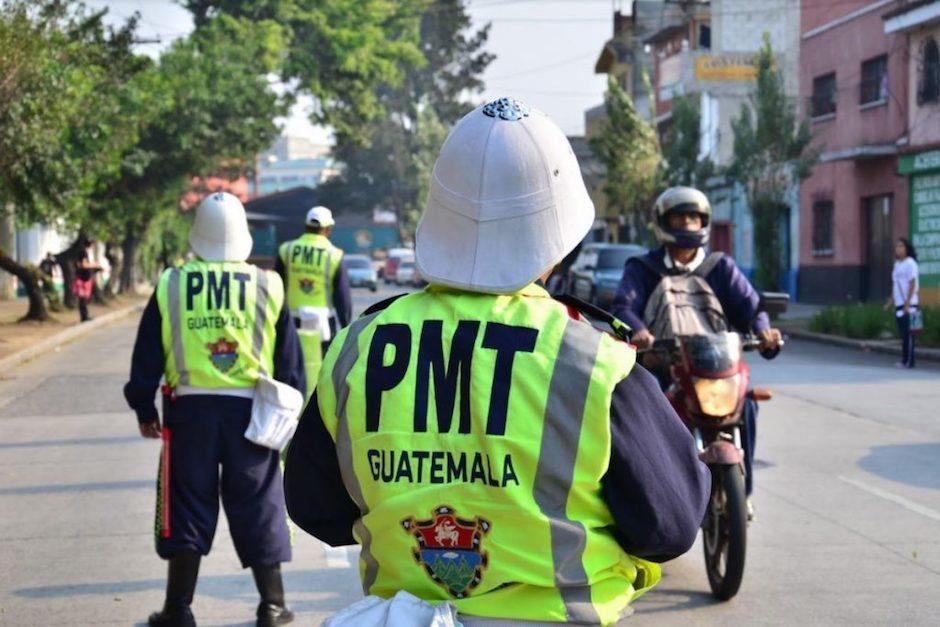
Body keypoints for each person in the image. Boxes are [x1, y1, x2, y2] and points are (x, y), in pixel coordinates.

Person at [284, 98, 709, 625]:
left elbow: (314, 508)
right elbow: (670, 528)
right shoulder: (594, 360)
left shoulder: (357, 349)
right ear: (561, 238)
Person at [124, 192, 305, 627]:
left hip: (190, 414)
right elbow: (290, 363)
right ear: (242, 234)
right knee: (258, 502)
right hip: (252, 413)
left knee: (187, 503)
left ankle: (178, 609)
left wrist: (143, 405)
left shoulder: (172, 283)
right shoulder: (268, 284)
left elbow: (146, 354)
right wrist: (292, 411)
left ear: (198, 234)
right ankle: (273, 606)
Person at [610, 186, 783, 507]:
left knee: (748, 405)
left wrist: (765, 333)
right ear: (664, 222)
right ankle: (655, 497)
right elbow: (624, 307)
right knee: (644, 414)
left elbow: (752, 308)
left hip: (716, 365)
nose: (688, 224)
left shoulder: (721, 268)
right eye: (680, 217)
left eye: (694, 217)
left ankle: (742, 492)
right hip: (666, 364)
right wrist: (640, 332)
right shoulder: (643, 268)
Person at [275, 205, 352, 396]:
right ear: (327, 229)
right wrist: (347, 324)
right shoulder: (334, 255)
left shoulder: (287, 250)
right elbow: (342, 296)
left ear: (306, 226)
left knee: (292, 366)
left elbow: (277, 286)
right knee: (324, 368)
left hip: (290, 322)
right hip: (324, 325)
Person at [887, 237, 920, 368]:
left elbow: (912, 283)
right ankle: (904, 359)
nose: (898, 249)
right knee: (903, 333)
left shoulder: (910, 263)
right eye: (897, 246)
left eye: (901, 246)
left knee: (909, 334)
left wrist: (907, 302)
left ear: (907, 249)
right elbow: (895, 285)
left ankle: (910, 361)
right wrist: (890, 301)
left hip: (909, 304)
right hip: (899, 303)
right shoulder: (897, 264)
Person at [73, 249, 101, 322]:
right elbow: (84, 265)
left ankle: (84, 316)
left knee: (83, 299)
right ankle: (84, 317)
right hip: (82, 282)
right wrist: (94, 265)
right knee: (83, 299)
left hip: (82, 280)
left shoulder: (78, 256)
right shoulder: (83, 253)